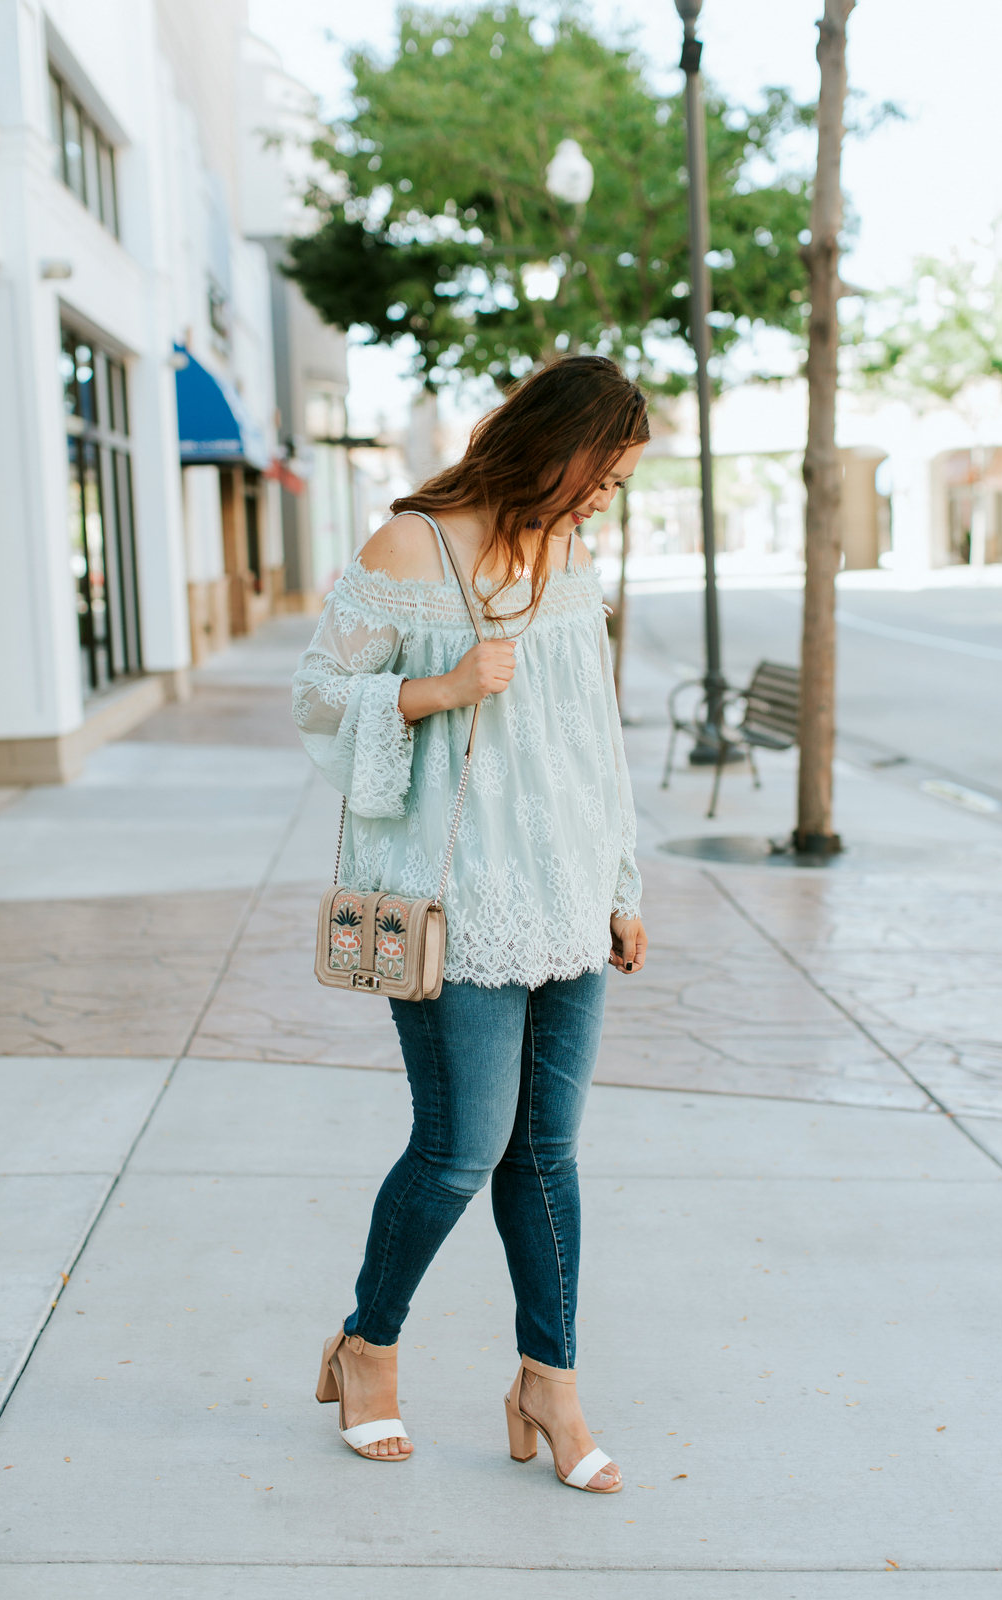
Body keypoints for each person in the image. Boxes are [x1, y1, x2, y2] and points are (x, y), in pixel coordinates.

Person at [292, 355, 649, 1495]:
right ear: (553, 445)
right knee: (458, 1151)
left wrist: (620, 885)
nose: (605, 501)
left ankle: (548, 1379)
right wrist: (432, 688)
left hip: (564, 901)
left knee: (546, 1155)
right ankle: (368, 1347)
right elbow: (310, 695)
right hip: (457, 911)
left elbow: (592, 738)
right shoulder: (410, 546)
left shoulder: (566, 553)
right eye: (601, 476)